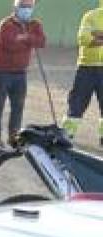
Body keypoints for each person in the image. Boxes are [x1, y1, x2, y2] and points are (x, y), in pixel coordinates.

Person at [0, 0, 45, 151]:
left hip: (21, 73)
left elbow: (42, 42)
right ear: (16, 8)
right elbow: (10, 44)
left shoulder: (35, 24)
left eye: (29, 7)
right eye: (24, 7)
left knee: (18, 107)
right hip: (2, 72)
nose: (27, 10)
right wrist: (29, 39)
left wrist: (24, 38)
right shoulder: (6, 24)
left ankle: (13, 137)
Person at [64, 0, 103, 147]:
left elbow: (90, 38)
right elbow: (84, 39)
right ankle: (67, 134)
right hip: (86, 67)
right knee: (77, 103)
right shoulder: (90, 16)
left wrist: (97, 35)